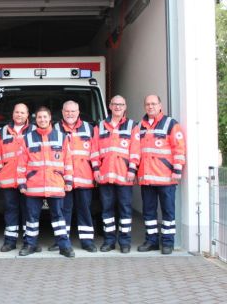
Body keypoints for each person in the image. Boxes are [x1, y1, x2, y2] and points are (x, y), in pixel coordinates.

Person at [17, 106, 74, 258]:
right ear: (36, 120)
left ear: (50, 118)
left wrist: (68, 180)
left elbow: (67, 161)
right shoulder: (27, 138)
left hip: (55, 184)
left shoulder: (62, 137)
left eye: (45, 117)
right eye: (39, 117)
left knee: (58, 218)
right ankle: (30, 245)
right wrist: (21, 183)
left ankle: (64, 246)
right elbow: (21, 163)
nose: (42, 120)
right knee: (32, 218)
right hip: (33, 185)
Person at [136, 94, 186, 255]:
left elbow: (179, 148)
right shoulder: (140, 126)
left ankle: (167, 242)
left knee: (168, 212)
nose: (150, 106)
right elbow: (136, 151)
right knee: (149, 213)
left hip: (166, 178)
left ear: (160, 105)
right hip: (147, 178)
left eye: (153, 104)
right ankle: (151, 241)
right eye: (147, 104)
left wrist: (177, 170)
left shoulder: (171, 124)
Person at [92, 95, 140, 253]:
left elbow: (135, 150)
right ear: (110, 106)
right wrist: (96, 169)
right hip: (105, 176)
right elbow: (94, 150)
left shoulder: (132, 126)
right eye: (115, 104)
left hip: (124, 176)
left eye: (121, 104)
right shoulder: (100, 126)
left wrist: (132, 170)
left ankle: (125, 242)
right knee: (107, 210)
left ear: (125, 107)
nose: (118, 107)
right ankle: (109, 240)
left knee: (125, 210)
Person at [53, 100, 98, 252]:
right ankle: (61, 241)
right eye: (67, 111)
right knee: (63, 211)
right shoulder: (55, 128)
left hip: (84, 178)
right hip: (63, 179)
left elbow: (95, 153)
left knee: (84, 210)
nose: (70, 114)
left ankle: (87, 242)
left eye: (73, 111)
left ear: (78, 112)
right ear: (62, 112)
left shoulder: (89, 128)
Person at [0, 103, 34, 252]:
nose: (19, 115)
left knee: (28, 211)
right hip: (9, 178)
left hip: (28, 180)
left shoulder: (34, 131)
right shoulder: (3, 131)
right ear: (12, 114)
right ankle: (10, 241)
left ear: (27, 115)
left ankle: (28, 242)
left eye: (22, 113)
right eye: (17, 112)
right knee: (10, 210)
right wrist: (0, 170)